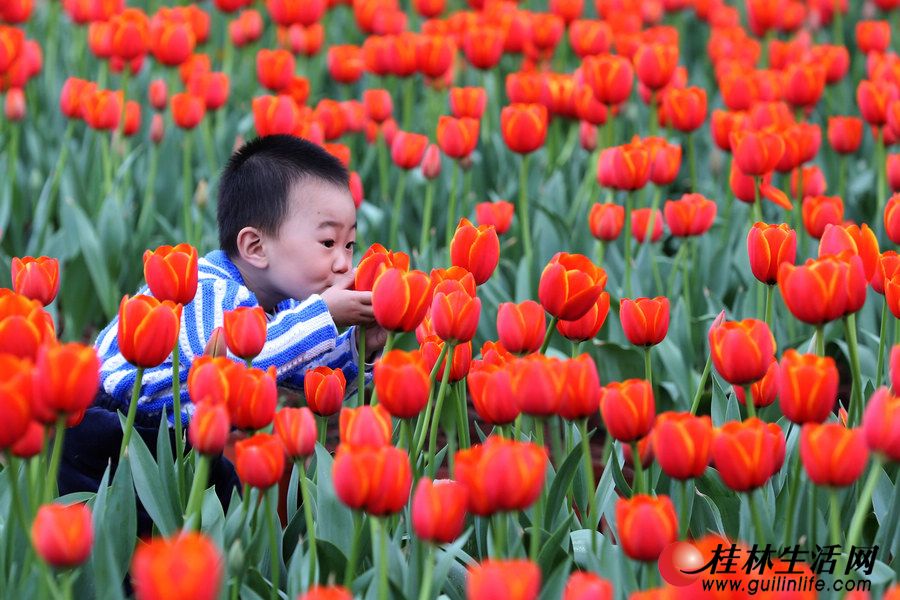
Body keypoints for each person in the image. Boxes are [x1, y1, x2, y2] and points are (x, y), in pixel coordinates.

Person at [59, 135, 387, 534]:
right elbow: (242, 363)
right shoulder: (206, 289)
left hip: (179, 437)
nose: (344, 262)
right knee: (120, 539)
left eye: (350, 244)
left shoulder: (278, 306)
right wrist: (324, 317)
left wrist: (358, 348)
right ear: (255, 247)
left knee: (224, 518)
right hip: (110, 432)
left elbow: (307, 372)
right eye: (328, 242)